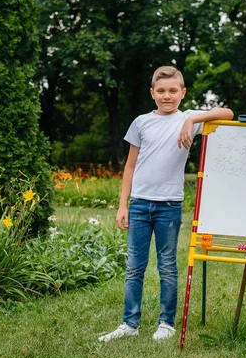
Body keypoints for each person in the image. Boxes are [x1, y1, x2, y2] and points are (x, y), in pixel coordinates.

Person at [98, 66, 234, 342]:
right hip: (139, 205)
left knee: (167, 266)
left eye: (173, 91)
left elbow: (227, 113)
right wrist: (123, 205)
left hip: (169, 207)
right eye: (161, 91)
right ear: (152, 93)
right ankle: (130, 323)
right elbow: (130, 166)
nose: (167, 96)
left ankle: (166, 323)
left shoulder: (189, 120)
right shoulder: (141, 122)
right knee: (134, 266)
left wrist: (191, 120)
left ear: (182, 93)